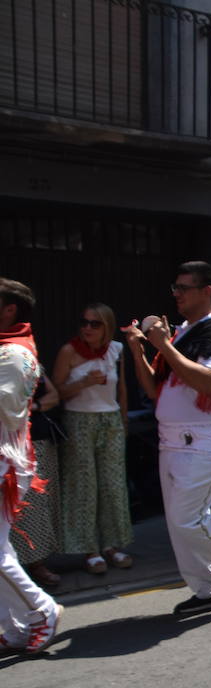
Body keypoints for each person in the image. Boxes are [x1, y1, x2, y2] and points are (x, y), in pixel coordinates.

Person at [123, 261, 211, 614]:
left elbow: (205, 381)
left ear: (206, 291)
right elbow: (155, 389)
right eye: (175, 288)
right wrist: (140, 349)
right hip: (172, 438)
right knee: (178, 521)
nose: (177, 295)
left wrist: (163, 344)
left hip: (205, 439)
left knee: (189, 518)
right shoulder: (184, 333)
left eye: (184, 288)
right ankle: (208, 586)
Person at [0, 278, 62, 654]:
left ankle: (42, 610)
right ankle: (15, 625)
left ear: (9, 310)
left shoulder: (16, 354)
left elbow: (5, 404)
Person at [52, 303, 134, 572]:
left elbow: (121, 387)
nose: (87, 328)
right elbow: (56, 393)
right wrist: (84, 382)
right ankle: (90, 549)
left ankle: (112, 545)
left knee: (112, 484)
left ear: (107, 327)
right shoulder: (69, 351)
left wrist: (123, 419)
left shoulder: (116, 350)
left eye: (94, 324)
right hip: (79, 420)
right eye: (84, 322)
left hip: (110, 420)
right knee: (84, 486)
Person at [14, 367, 62, 589]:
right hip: (10, 443)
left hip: (37, 439)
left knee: (37, 505)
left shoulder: (30, 362)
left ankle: (36, 563)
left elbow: (53, 395)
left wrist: (35, 406)